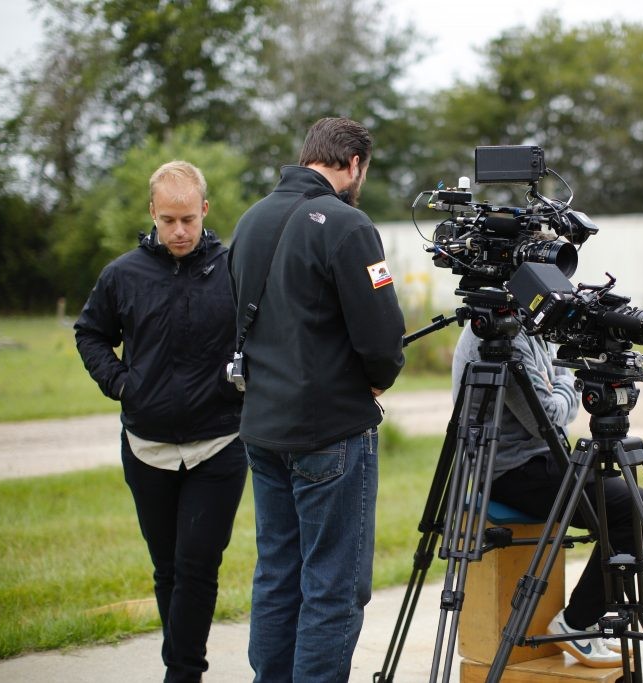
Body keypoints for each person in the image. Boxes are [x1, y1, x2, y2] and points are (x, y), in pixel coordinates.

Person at [227, 117, 406, 682]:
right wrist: (379, 377)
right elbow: (382, 339)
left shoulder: (250, 220)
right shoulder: (348, 225)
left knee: (278, 574)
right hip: (330, 431)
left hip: (261, 426)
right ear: (353, 164)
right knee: (333, 585)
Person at [74, 161, 247, 683]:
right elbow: (90, 334)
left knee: (198, 565)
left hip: (219, 442)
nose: (178, 231)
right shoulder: (122, 275)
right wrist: (123, 384)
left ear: (205, 212)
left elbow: (266, 330)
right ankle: (183, 666)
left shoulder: (235, 267)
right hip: (146, 448)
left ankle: (183, 672)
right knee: (168, 567)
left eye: (188, 220)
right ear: (152, 212)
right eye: (168, 219)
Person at [451, 324, 643, 669]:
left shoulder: (529, 325)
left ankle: (584, 620)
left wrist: (558, 385)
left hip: (542, 456)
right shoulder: (501, 335)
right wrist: (569, 384)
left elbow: (558, 377)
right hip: (512, 469)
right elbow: (547, 416)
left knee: (625, 501)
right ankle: (577, 623)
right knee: (638, 509)